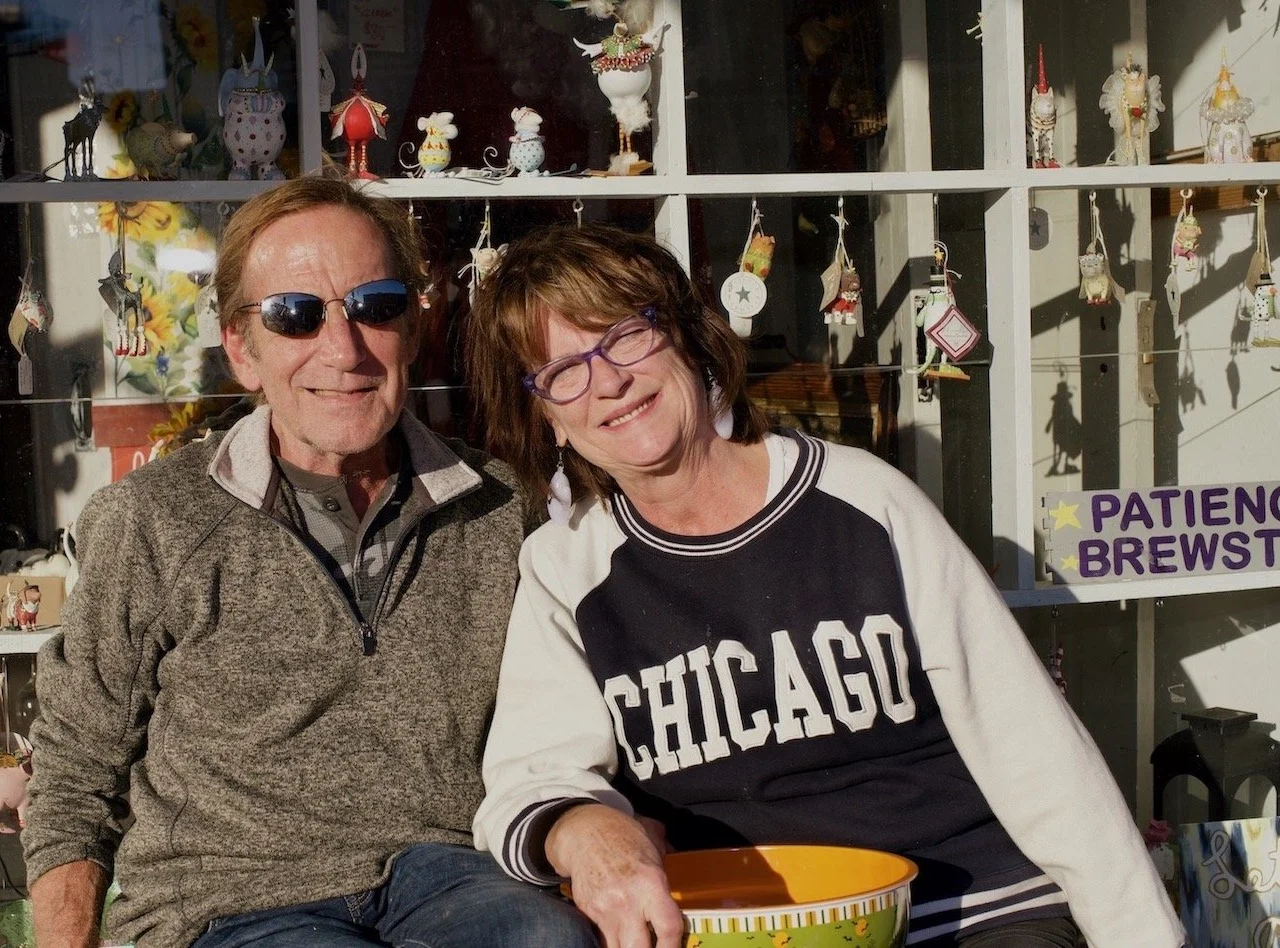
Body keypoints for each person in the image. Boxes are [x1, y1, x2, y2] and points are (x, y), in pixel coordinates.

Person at [465, 223, 1184, 948]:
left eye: (626, 336)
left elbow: (1029, 742)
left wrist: (1141, 937)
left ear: (686, 337)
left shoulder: (866, 501)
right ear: (548, 418)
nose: (608, 381)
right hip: (742, 931)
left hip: (972, 910)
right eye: (564, 372)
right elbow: (532, 775)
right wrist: (586, 830)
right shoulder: (567, 568)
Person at [22, 173, 597, 948]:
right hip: (227, 903)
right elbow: (75, 770)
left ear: (413, 327)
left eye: (376, 306)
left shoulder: (497, 508)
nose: (343, 349)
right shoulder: (154, 520)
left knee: (548, 939)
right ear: (241, 349)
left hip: (450, 877)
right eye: (294, 315)